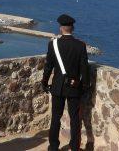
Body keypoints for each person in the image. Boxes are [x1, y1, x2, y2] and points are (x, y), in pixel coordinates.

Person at [42, 14, 90, 151]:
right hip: (74, 87)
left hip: (57, 87)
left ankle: (53, 146)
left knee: (55, 118)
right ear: (72, 28)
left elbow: (48, 66)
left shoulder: (53, 44)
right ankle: (74, 147)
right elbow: (84, 69)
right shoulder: (80, 46)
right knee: (75, 119)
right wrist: (85, 86)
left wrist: (44, 82)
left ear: (61, 28)